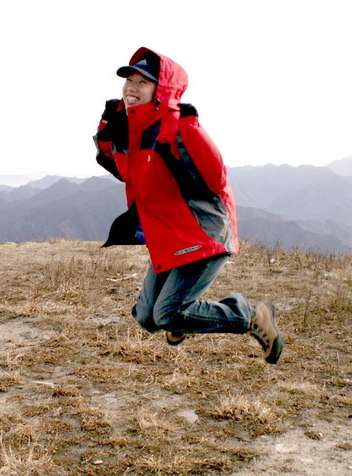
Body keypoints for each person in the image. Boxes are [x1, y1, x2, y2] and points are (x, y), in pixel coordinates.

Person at [93, 47, 283, 364]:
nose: (131, 88)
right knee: (147, 318)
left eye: (143, 82)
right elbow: (118, 166)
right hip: (168, 235)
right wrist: (107, 128)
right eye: (129, 80)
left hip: (201, 232)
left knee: (167, 314)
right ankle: (183, 320)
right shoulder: (134, 132)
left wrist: (187, 132)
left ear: (161, 89)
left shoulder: (178, 127)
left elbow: (215, 179)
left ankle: (251, 315)